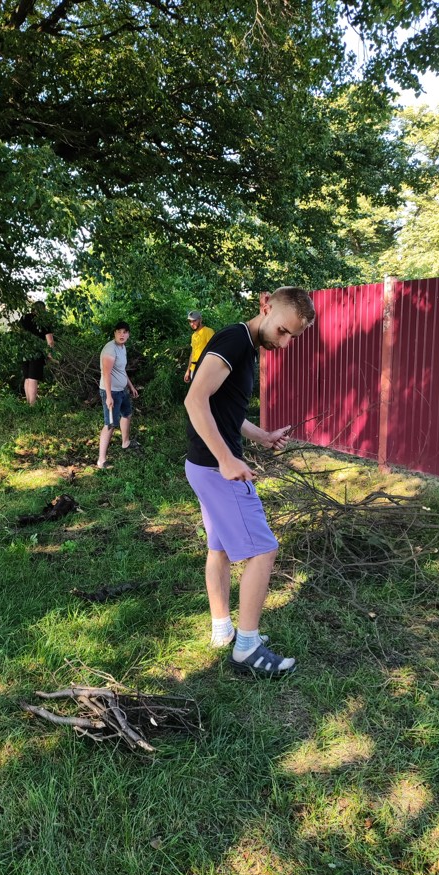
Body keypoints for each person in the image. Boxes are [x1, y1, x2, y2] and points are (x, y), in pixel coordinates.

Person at [184, 287, 315, 676]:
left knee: (220, 548)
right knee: (264, 549)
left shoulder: (243, 344)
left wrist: (263, 436)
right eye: (284, 332)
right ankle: (247, 648)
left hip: (203, 466)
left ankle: (223, 629)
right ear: (266, 305)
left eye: (293, 337)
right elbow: (195, 400)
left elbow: (224, 410)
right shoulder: (234, 340)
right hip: (214, 467)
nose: (286, 342)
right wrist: (226, 459)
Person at [97, 320, 139, 468]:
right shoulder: (110, 349)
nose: (122, 334)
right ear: (114, 333)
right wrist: (108, 396)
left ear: (128, 334)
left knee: (127, 414)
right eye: (119, 331)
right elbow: (106, 373)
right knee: (110, 424)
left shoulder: (122, 348)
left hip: (122, 390)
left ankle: (125, 442)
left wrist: (131, 386)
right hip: (112, 392)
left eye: (125, 332)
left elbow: (121, 370)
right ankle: (101, 460)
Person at [20, 301, 55, 406]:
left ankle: (28, 403)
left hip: (23, 351)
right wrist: (51, 355)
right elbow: (50, 341)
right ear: (42, 310)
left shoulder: (24, 318)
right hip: (36, 352)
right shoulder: (43, 321)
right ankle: (32, 405)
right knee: (33, 378)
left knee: (27, 377)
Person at [184, 310, 215, 383]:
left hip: (204, 369)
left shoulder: (208, 331)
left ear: (200, 320)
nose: (192, 324)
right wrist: (188, 370)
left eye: (194, 321)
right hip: (193, 369)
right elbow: (192, 354)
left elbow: (214, 352)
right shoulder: (193, 335)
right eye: (190, 321)